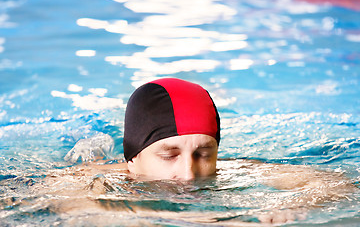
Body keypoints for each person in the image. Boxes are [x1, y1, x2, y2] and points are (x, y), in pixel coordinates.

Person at [52, 78, 357, 224]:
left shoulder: (239, 170)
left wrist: (289, 208)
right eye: (169, 154)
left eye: (203, 153)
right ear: (132, 158)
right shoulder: (85, 182)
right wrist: (197, 218)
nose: (188, 175)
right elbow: (78, 211)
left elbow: (338, 185)